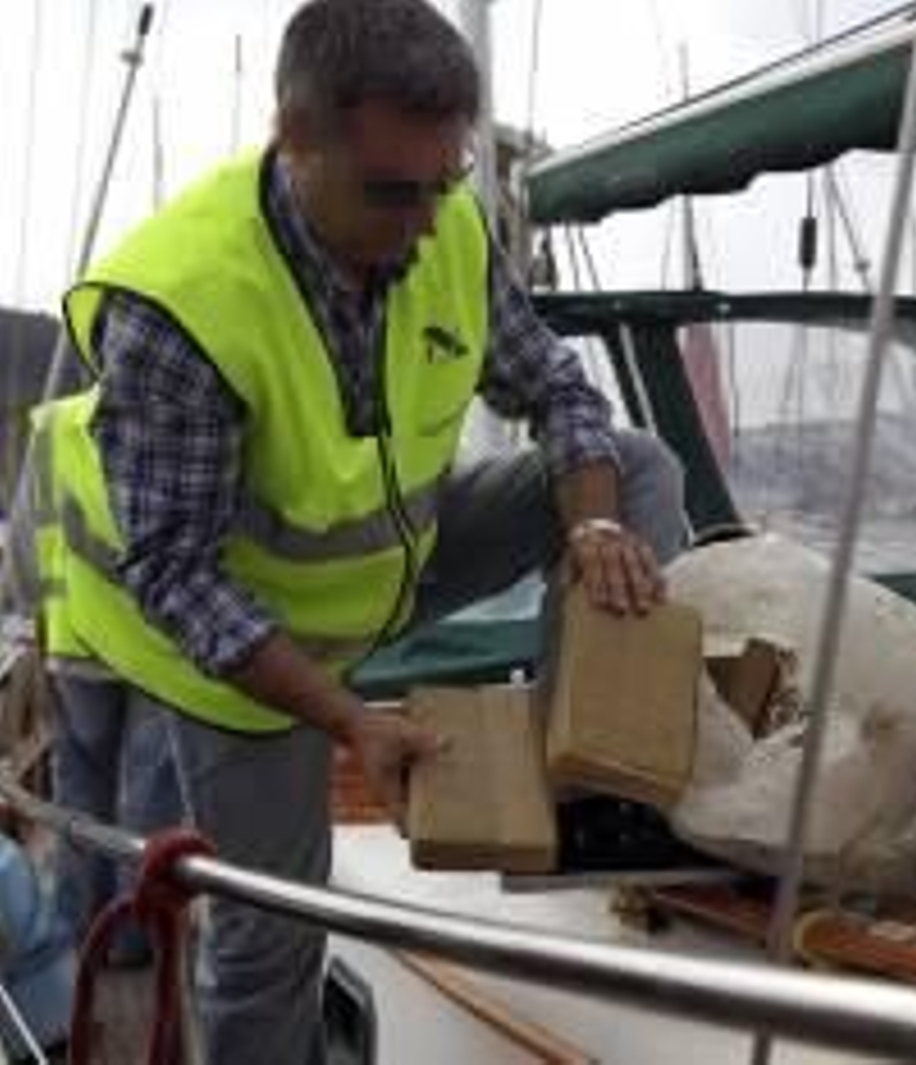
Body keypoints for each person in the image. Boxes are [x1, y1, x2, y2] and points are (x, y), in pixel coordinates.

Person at [29, 0, 685, 1062]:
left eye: (444, 182)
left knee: (638, 469)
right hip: (243, 651)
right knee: (273, 936)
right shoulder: (179, 304)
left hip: (393, 563)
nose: (426, 220)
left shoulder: (447, 221)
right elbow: (180, 578)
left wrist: (595, 525)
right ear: (297, 142)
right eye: (393, 191)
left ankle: (606, 782)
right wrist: (350, 722)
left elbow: (559, 392)